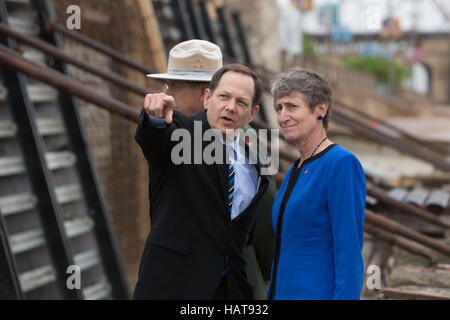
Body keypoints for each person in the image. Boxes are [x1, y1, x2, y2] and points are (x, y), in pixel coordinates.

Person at [145, 39, 276, 299]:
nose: (168, 93)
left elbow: (263, 221)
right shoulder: (175, 134)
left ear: (204, 91)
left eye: (173, 86)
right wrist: (153, 118)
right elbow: (153, 138)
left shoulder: (249, 143)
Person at [267, 68, 366, 300]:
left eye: (292, 106)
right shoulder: (296, 168)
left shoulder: (341, 164)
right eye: (279, 108)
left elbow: (349, 255)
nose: (282, 117)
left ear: (320, 109)